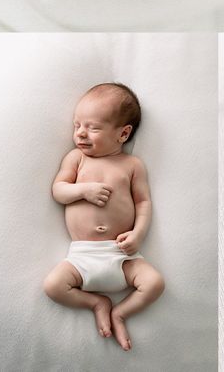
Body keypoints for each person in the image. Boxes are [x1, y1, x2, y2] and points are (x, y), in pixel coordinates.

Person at [43, 83, 164, 352]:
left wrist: (139, 234)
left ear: (123, 133)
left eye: (93, 127)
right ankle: (97, 303)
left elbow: (143, 202)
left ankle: (120, 313)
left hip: (122, 255)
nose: (81, 133)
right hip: (82, 256)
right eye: (77, 125)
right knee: (53, 286)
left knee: (155, 283)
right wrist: (83, 191)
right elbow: (59, 191)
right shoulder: (76, 159)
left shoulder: (132, 165)